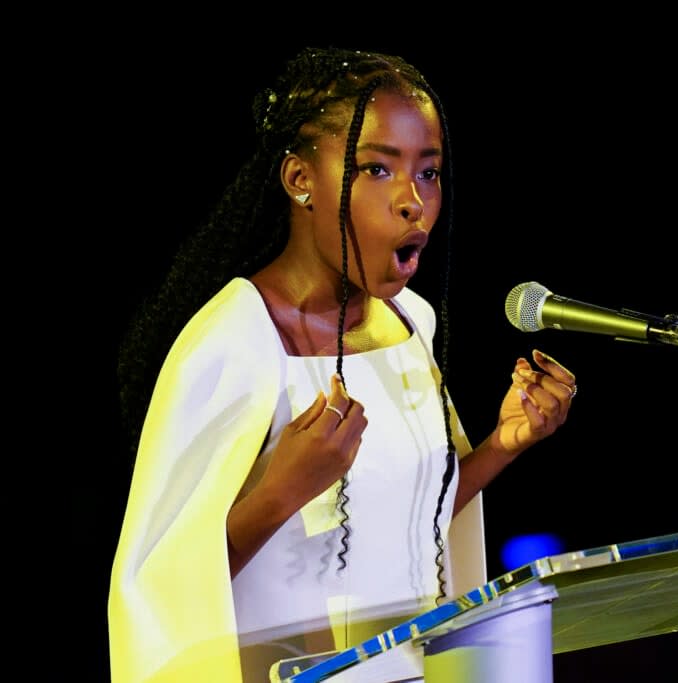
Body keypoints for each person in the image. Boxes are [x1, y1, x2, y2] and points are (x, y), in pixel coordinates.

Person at [109, 46, 577, 683]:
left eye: (430, 173)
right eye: (377, 170)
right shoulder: (234, 341)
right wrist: (281, 492)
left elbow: (411, 524)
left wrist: (502, 445)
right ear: (301, 180)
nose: (414, 201)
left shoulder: (411, 322)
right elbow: (158, 588)